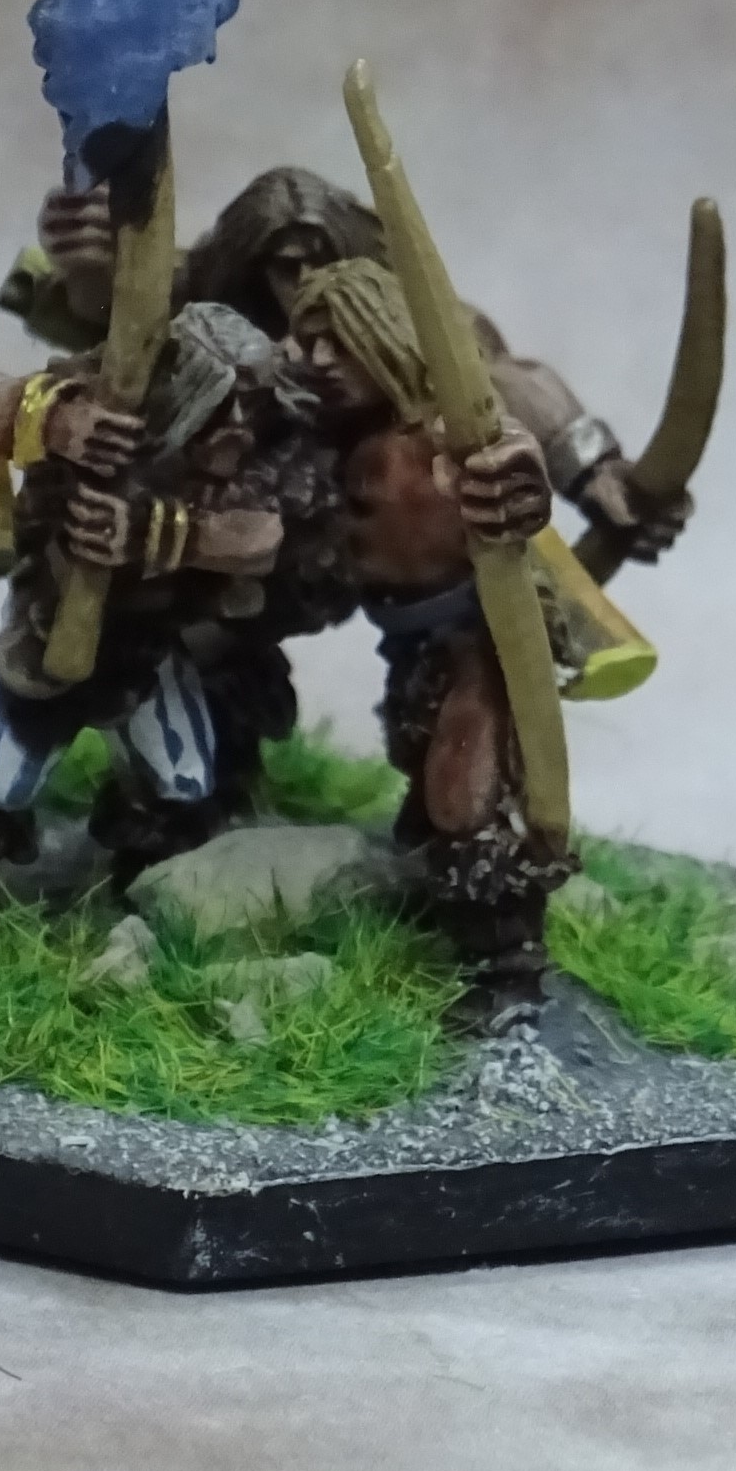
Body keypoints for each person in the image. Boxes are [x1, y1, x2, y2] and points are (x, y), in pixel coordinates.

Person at [7, 166, 691, 565]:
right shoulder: (220, 303)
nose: (306, 282)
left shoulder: (402, 317)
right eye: (287, 266)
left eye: (321, 260)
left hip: (373, 524)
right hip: (228, 529)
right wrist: (90, 262)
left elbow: (504, 376)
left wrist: (597, 473)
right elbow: (129, 313)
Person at [0, 305, 332, 891]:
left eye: (250, 402)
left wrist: (149, 532)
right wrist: (54, 420)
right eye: (222, 399)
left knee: (182, 780)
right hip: (48, 634)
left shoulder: (268, 445)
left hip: (148, 649)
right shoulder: (100, 399)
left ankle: (152, 895)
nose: (237, 420)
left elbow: (261, 539)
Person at [280, 258, 575, 1033]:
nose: (320, 360)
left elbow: (507, 448)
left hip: (478, 637)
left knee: (463, 795)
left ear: (383, 334)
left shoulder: (444, 430)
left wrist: (515, 480)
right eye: (309, 341)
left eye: (339, 341)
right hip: (408, 643)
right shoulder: (335, 433)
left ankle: (507, 968)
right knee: (422, 772)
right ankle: (441, 897)